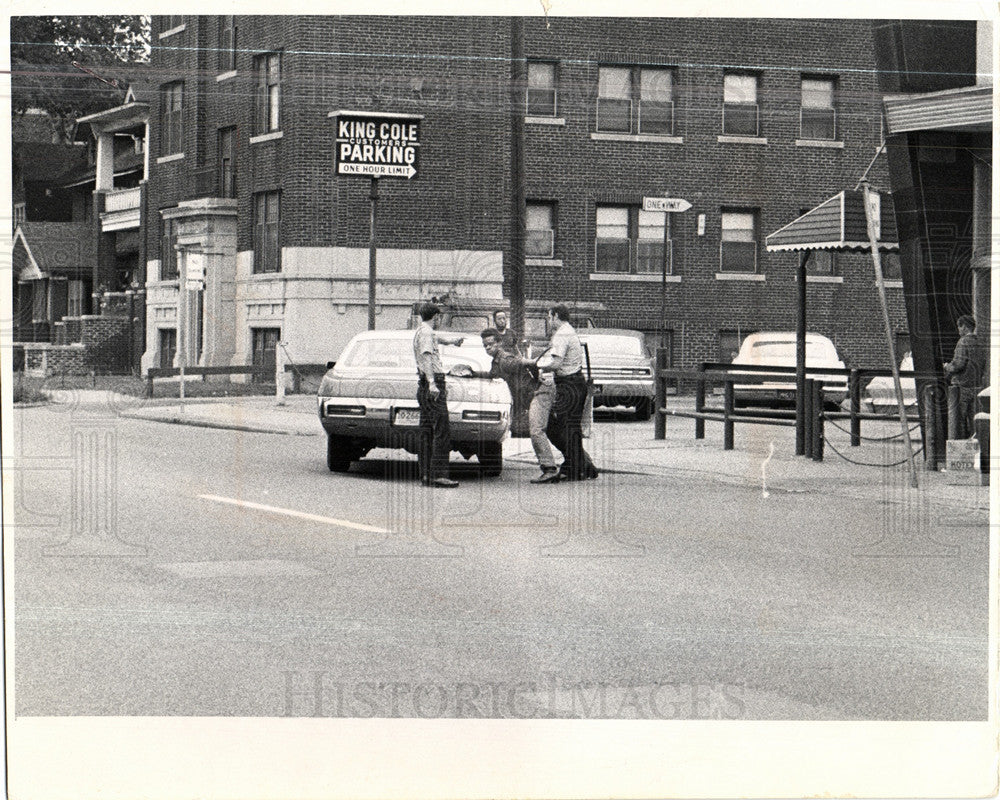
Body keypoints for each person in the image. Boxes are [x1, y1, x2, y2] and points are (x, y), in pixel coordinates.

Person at [541, 304, 598, 481]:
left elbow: (556, 364)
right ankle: (582, 466)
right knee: (571, 428)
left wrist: (538, 367)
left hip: (568, 384)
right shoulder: (569, 331)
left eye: (549, 317)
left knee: (563, 428)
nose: (549, 321)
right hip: (576, 382)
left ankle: (575, 467)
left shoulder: (561, 335)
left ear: (555, 316)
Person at [413, 302, 462, 487]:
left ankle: (426, 474)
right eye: (439, 317)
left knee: (426, 430)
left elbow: (436, 339)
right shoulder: (426, 333)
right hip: (432, 382)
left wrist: (451, 341)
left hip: (423, 384)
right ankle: (439, 474)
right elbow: (426, 356)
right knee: (442, 430)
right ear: (436, 317)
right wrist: (433, 383)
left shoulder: (423, 331)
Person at [943, 314, 987, 439]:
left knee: (959, 420)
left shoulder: (963, 342)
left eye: (959, 327)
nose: (958, 330)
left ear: (965, 327)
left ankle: (960, 446)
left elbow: (959, 364)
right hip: (977, 386)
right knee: (974, 419)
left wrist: (947, 366)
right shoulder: (979, 343)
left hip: (962, 386)